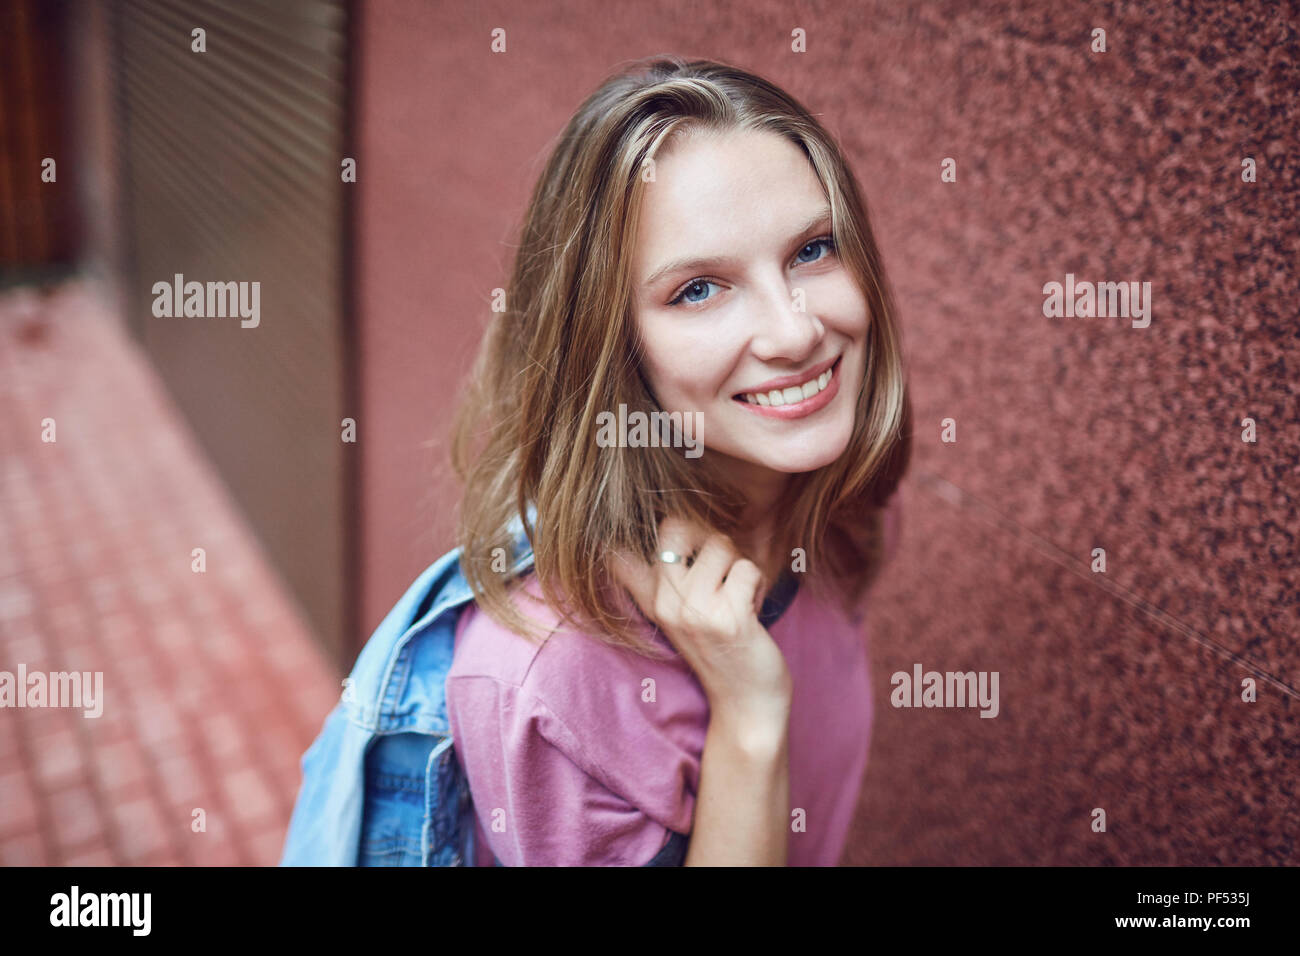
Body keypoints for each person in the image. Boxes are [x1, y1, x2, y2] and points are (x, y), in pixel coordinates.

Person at [444, 54, 911, 866]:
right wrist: (749, 716)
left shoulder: (838, 510)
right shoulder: (547, 678)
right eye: (698, 289)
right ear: (612, 349)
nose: (795, 331)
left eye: (812, 250)